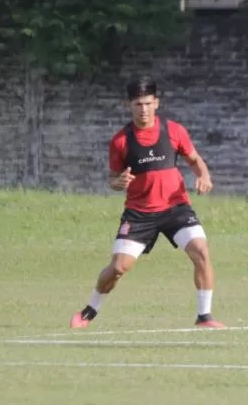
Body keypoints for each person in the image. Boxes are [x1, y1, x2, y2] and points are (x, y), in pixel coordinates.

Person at [70, 76, 223, 329]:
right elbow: (112, 178)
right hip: (139, 213)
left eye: (148, 103)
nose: (143, 109)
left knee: (201, 251)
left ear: (157, 103)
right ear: (129, 106)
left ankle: (204, 317)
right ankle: (89, 310)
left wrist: (204, 176)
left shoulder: (174, 131)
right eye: (138, 104)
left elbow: (195, 160)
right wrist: (118, 182)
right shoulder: (120, 141)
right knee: (119, 267)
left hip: (176, 207)